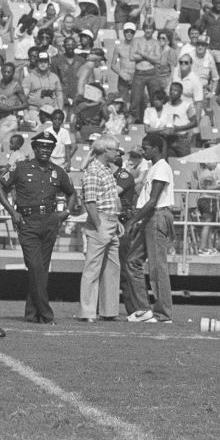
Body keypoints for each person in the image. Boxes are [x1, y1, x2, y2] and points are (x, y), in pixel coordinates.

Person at [0, 130, 78, 325]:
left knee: (41, 269)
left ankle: (32, 314)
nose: (45, 150)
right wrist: (12, 212)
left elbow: (71, 193)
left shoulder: (58, 171)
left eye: (49, 147)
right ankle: (47, 315)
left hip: (49, 221)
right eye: (41, 146)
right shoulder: (21, 168)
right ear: (34, 148)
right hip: (27, 221)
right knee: (35, 266)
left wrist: (66, 212)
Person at [122, 133, 176, 323]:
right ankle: (144, 309)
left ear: (156, 148)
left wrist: (133, 220)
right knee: (133, 261)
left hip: (156, 216)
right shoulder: (154, 168)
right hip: (149, 218)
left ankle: (163, 314)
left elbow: (153, 200)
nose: (142, 151)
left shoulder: (162, 168)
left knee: (157, 267)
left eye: (146, 148)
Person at [75, 136, 123, 323]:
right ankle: (87, 312)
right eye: (115, 150)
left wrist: (115, 220)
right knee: (92, 269)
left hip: (110, 220)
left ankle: (109, 311)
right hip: (100, 222)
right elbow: (90, 202)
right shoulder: (94, 170)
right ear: (105, 151)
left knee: (112, 268)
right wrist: (99, 225)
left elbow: (108, 198)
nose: (118, 153)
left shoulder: (105, 170)